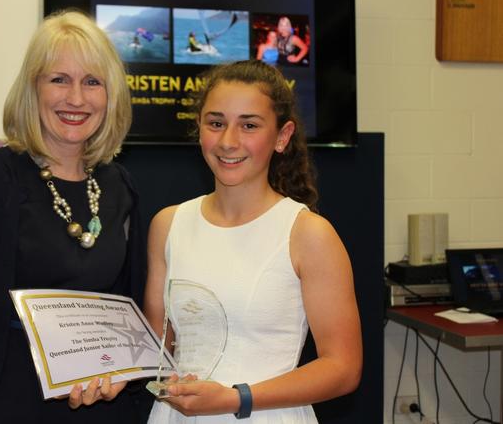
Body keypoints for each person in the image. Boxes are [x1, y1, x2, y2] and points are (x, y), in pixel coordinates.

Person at [0, 10, 151, 423]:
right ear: (33, 88)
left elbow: (130, 310)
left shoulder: (120, 186)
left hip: (101, 407)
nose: (76, 99)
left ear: (110, 94)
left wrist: (121, 372)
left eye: (92, 82)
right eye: (59, 79)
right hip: (4, 402)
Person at [144, 59, 362, 423]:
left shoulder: (307, 233)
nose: (229, 141)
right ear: (199, 129)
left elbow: (343, 367)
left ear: (281, 136)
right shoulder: (168, 225)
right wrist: (96, 368)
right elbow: (156, 353)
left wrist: (236, 398)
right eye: (216, 123)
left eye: (249, 125)